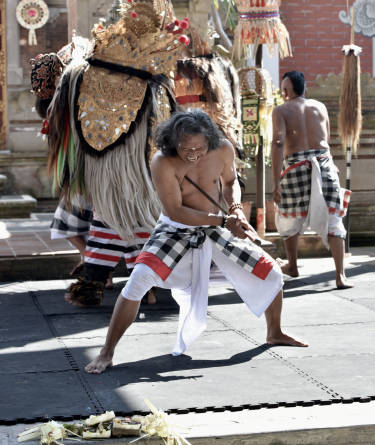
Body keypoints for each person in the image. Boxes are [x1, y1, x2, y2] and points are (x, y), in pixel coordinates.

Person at [85, 109, 307, 374]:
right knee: (139, 278)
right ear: (172, 142)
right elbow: (175, 210)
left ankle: (275, 332)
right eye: (185, 149)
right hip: (176, 229)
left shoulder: (223, 149)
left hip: (218, 226)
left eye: (199, 149)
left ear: (209, 141)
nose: (192, 155)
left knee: (270, 272)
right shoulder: (162, 162)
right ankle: (107, 351)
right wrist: (224, 222)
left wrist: (234, 207)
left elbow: (231, 181)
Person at [272, 71, 352, 289]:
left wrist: (276, 182)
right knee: (334, 218)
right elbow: (325, 138)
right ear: (305, 88)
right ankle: (340, 275)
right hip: (325, 164)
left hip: (296, 167)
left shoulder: (281, 110)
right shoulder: (320, 106)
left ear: (285, 91)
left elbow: (278, 143)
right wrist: (330, 164)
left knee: (289, 217)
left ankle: (292, 265)